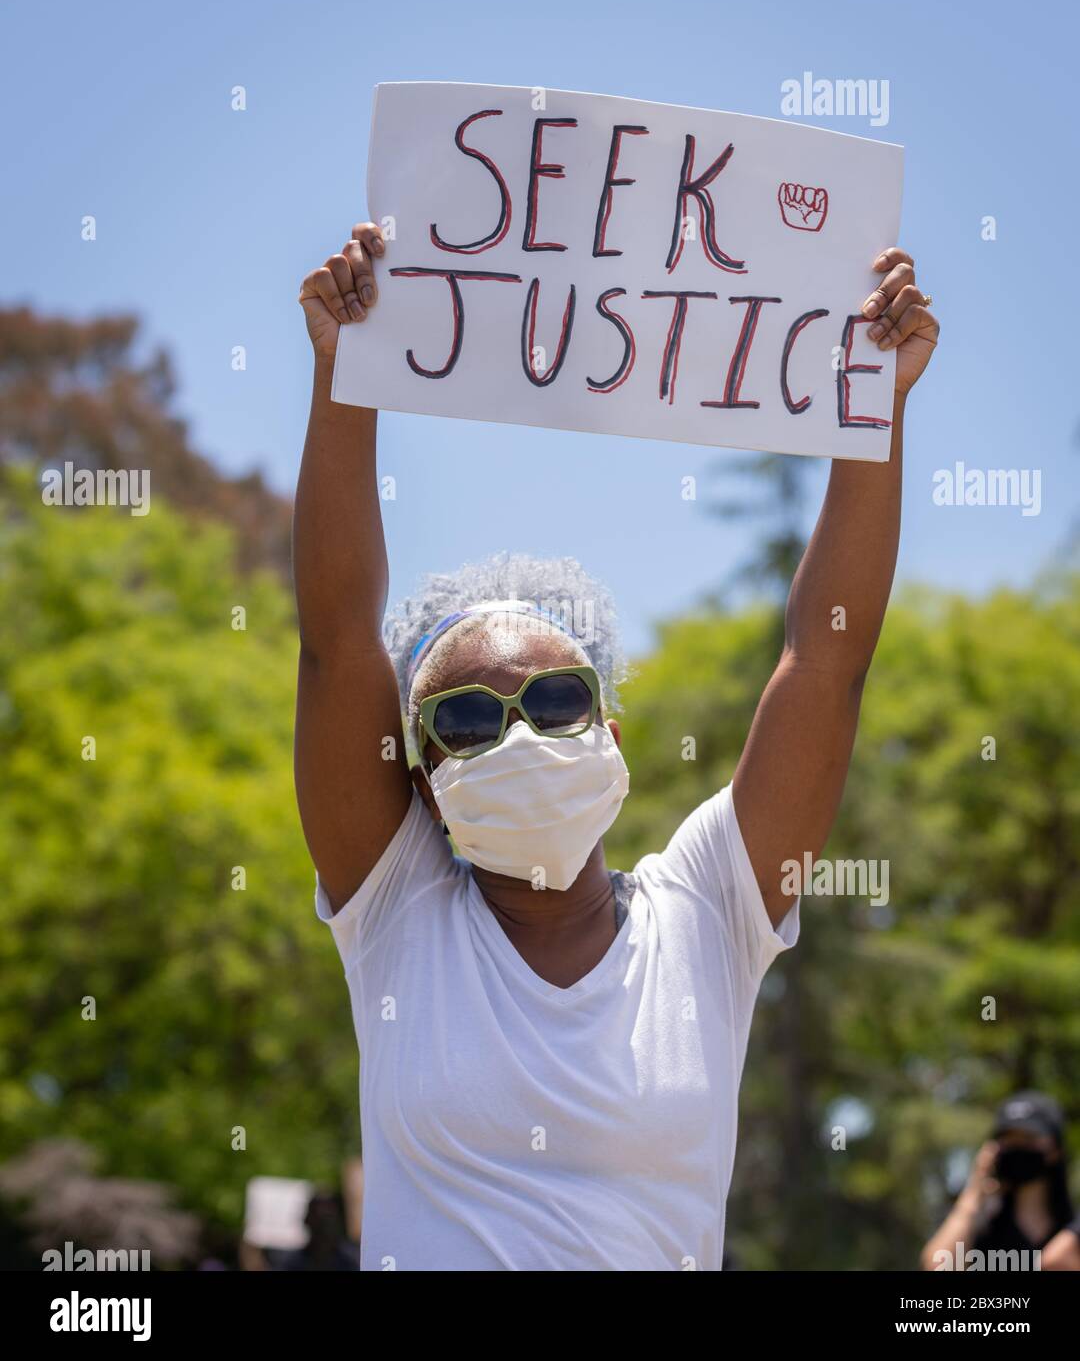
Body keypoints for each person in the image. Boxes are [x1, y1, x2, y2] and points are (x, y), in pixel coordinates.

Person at [293, 220, 939, 1271]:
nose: (516, 734)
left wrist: (878, 403)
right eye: (465, 721)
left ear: (610, 731)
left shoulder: (707, 911)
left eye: (553, 701)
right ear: (422, 776)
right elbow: (333, 644)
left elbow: (826, 664)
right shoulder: (396, 906)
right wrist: (346, 369)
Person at [921, 1092, 1076, 1271]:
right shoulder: (981, 1229)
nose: (1017, 1146)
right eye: (1009, 1139)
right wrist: (973, 1192)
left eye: (1028, 1139)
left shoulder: (1071, 1232)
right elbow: (937, 1267)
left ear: (1055, 1150)